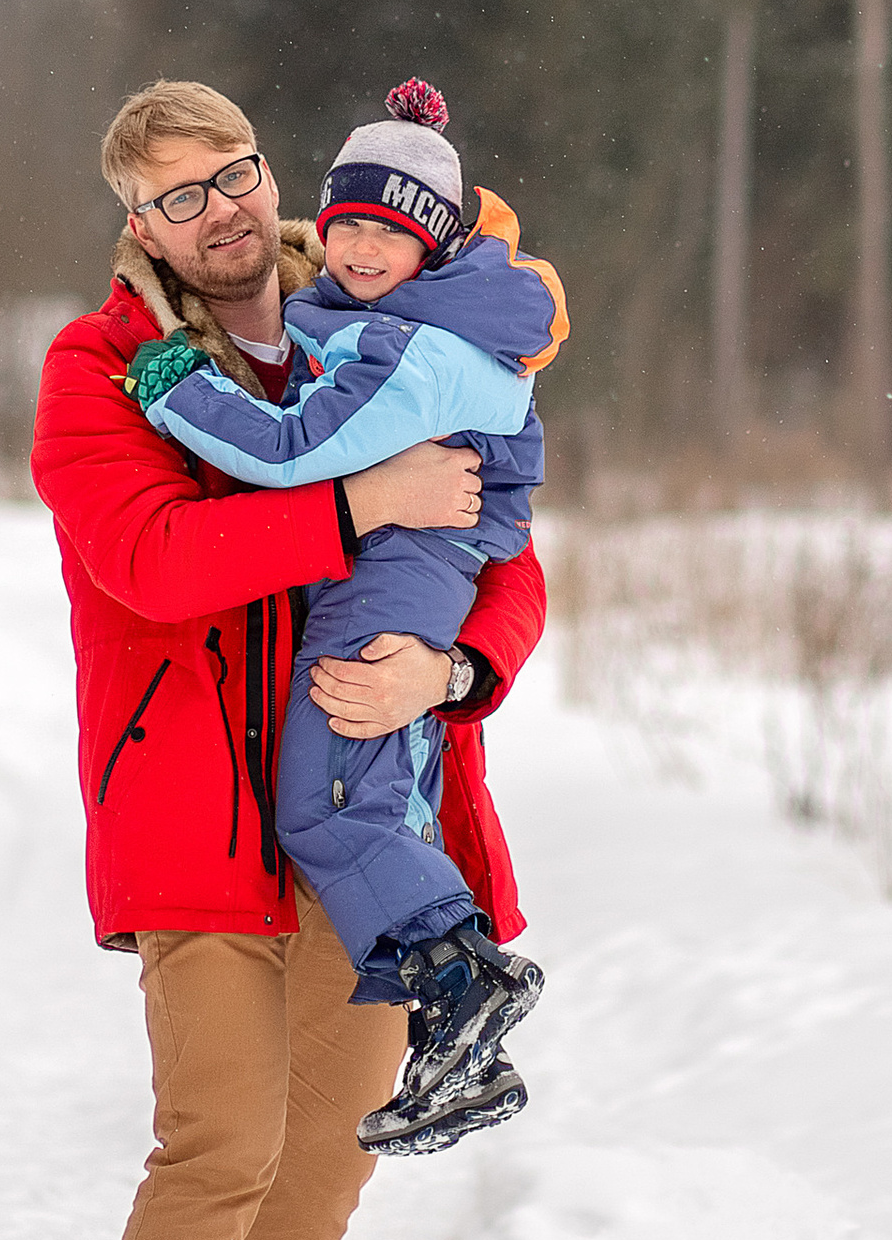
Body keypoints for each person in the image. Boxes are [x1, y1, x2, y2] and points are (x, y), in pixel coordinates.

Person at [30, 78, 548, 1240]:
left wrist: (450, 672)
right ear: (140, 225)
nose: (223, 210)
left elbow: (502, 547)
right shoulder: (104, 366)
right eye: (180, 196)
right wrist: (352, 509)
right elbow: (153, 557)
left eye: (237, 173)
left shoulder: (379, 306)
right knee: (221, 1149)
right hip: (196, 816)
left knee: (327, 1163)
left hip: (370, 815)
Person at [126, 80, 566, 1160]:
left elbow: (287, 451)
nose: (365, 250)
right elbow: (156, 559)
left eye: (392, 231)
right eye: (350, 227)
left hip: (400, 573)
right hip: (395, 565)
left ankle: (463, 982)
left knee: (334, 805)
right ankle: (457, 1046)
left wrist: (178, 387)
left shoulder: (418, 349)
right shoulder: (386, 319)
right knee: (366, 797)